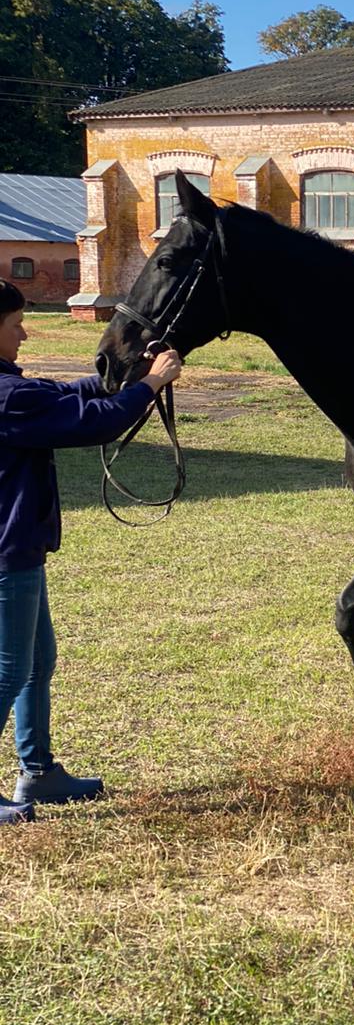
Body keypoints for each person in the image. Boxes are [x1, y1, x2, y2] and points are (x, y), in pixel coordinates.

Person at [0, 279, 182, 824]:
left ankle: (39, 773)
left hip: (20, 548)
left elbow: (64, 397)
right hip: (8, 554)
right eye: (14, 326)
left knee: (36, 662)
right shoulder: (7, 397)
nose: (25, 333)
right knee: (9, 671)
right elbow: (91, 422)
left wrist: (120, 376)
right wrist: (151, 384)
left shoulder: (12, 389)